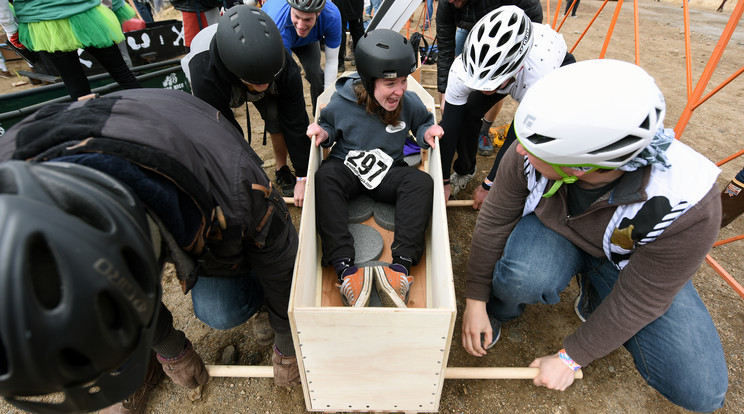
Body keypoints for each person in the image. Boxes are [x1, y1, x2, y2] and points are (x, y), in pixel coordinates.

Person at [0, 87, 303, 413]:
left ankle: (253, 303)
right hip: (132, 157)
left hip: (189, 145)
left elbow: (281, 257)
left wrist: (287, 339)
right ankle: (141, 359)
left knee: (220, 308)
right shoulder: (10, 169)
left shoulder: (236, 186)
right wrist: (168, 348)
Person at [461, 59, 728, 412]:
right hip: (558, 230)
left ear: (581, 166)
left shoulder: (686, 201)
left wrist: (572, 358)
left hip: (629, 263)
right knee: (522, 276)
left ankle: (595, 289)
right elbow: (495, 219)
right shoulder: (533, 146)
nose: (520, 150)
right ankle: (503, 310)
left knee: (701, 391)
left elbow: (641, 299)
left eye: (536, 149)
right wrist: (476, 300)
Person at [307, 29, 443, 308]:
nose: (400, 90)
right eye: (391, 83)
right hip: (347, 166)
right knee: (325, 177)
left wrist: (428, 131)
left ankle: (401, 271)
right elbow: (329, 125)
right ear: (369, 82)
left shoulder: (406, 101)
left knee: (421, 183)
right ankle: (346, 272)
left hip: (385, 171)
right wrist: (323, 133)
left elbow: (422, 121)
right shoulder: (342, 101)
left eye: (405, 81)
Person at [439, 6, 575, 204]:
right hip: (510, 72)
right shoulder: (460, 68)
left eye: (491, 84)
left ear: (517, 68)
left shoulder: (540, 77)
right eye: (477, 81)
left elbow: (517, 135)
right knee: (467, 112)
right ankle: (465, 170)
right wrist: (444, 180)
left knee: (540, 138)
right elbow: (450, 125)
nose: (485, 90)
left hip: (551, 65)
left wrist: (489, 184)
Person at [182, 5, 311, 202]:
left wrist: (303, 176)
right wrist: (252, 179)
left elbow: (295, 121)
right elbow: (224, 136)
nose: (264, 86)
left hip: (252, 71)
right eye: (257, 82)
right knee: (226, 135)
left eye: (267, 81)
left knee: (276, 116)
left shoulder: (283, 63)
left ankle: (281, 168)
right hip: (218, 77)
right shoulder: (204, 75)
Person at [1, 0, 142, 100]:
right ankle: (151, 110)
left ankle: (91, 127)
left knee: (74, 81)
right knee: (122, 72)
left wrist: (11, 29)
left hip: (44, 21)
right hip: (87, 13)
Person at [262, 0, 342, 113]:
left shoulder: (331, 15)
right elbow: (286, 78)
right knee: (290, 78)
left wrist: (327, 101)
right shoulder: (279, 22)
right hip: (282, 33)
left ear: (318, 13)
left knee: (316, 74)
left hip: (308, 40)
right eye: (297, 16)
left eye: (307, 19)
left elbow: (332, 61)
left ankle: (319, 115)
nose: (300, 25)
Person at [332, 0, 364, 72]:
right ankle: (358, 60)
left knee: (354, 32)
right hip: (350, 6)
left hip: (349, 6)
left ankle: (341, 63)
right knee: (355, 32)